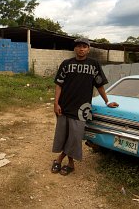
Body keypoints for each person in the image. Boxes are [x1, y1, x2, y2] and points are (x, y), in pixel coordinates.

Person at [51, 37, 119, 176]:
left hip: (82, 109)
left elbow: (99, 85)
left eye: (84, 46)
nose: (81, 49)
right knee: (64, 135)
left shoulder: (94, 65)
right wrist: (56, 103)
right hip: (64, 106)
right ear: (74, 49)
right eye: (78, 46)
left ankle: (59, 159)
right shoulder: (66, 64)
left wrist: (107, 101)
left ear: (88, 49)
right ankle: (70, 164)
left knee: (75, 137)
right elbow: (59, 85)